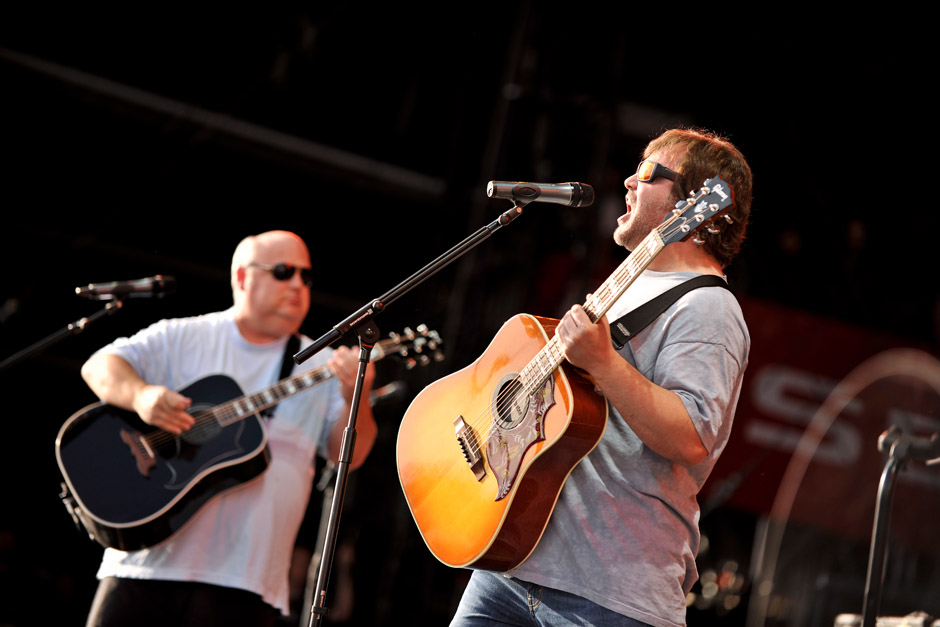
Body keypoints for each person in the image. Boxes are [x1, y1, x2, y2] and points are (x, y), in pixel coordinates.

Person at [450, 127, 753, 627]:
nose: (630, 182)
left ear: (695, 207)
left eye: (649, 172)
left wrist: (604, 363)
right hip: (514, 562)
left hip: (610, 594)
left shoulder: (709, 308)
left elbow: (693, 437)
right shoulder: (626, 284)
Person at [81, 230, 377, 626]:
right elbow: (99, 365)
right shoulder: (185, 336)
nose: (296, 285)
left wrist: (356, 395)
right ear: (241, 277)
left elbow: (350, 456)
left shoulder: (324, 366)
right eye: (283, 271)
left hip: (248, 583)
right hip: (144, 565)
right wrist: (141, 397)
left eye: (305, 277)